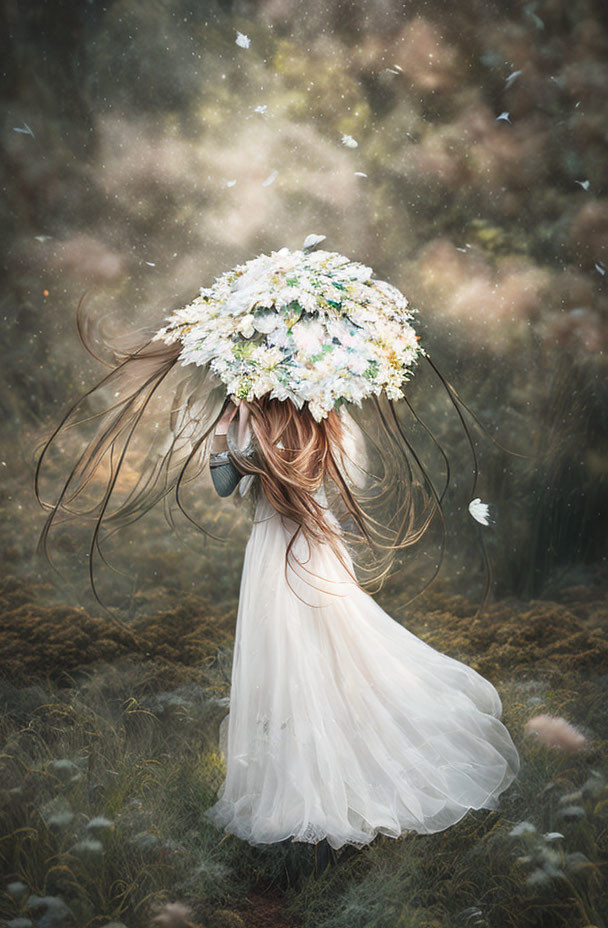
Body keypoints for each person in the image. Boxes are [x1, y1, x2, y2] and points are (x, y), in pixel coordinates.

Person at [36, 243, 520, 876]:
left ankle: (328, 798)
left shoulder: (323, 422)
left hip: (305, 553)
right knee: (290, 667)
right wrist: (226, 433)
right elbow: (223, 487)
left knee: (320, 663)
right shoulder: (259, 422)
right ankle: (306, 790)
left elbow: (304, 482)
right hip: (280, 552)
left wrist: (248, 442)